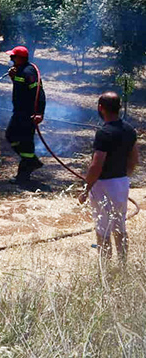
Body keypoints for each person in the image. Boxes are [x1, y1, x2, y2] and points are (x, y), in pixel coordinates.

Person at [78, 91, 138, 263]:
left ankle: (105, 268)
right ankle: (122, 264)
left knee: (102, 229)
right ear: (119, 108)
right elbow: (134, 159)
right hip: (121, 183)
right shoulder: (129, 130)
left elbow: (96, 165)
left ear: (100, 108)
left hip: (103, 185)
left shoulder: (104, 133)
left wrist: (86, 189)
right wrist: (124, 178)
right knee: (120, 226)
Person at [5, 46, 46, 185]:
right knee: (12, 136)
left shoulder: (29, 72)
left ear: (20, 58)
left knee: (25, 142)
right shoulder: (20, 71)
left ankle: (24, 175)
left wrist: (39, 113)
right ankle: (31, 162)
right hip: (19, 112)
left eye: (13, 57)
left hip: (28, 114)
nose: (11, 59)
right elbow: (21, 87)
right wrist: (13, 77)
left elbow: (39, 93)